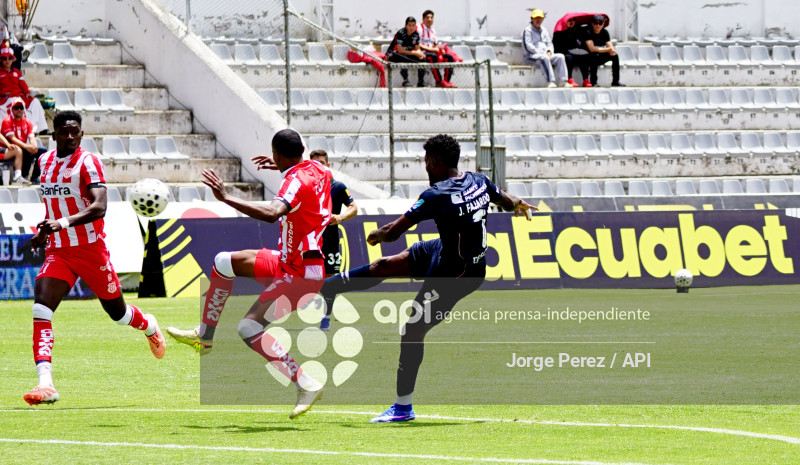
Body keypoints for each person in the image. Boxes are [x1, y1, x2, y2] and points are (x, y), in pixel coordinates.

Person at [318, 134, 536, 423]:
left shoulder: (436, 196)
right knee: (386, 265)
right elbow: (506, 201)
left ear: (434, 162)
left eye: (425, 163)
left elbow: (393, 233)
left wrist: (378, 234)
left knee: (412, 330)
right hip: (444, 252)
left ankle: (403, 407)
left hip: (456, 274)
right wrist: (519, 201)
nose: (425, 168)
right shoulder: (479, 181)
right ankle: (330, 288)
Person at [166, 129, 332, 419]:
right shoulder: (319, 169)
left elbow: (272, 213)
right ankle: (204, 337)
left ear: (278, 154)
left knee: (248, 328)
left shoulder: (295, 180)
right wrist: (281, 165)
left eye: (275, 157)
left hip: (301, 275)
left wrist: (226, 197)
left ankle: (306, 382)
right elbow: (305, 174)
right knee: (223, 262)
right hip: (289, 262)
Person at [23, 110, 166, 406]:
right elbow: (54, 206)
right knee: (41, 308)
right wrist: (45, 232)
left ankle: (149, 326)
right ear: (55, 135)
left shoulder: (88, 162)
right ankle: (45, 383)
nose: (71, 136)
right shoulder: (44, 162)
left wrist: (61, 224)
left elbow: (100, 206)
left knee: (118, 314)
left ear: (82, 134)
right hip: (59, 251)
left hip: (90, 250)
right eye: (65, 132)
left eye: (75, 131)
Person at [308, 150, 358, 331]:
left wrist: (341, 217)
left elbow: (354, 207)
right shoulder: (307, 186)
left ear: (327, 166)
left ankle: (326, 316)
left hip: (329, 240)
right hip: (310, 240)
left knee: (330, 279)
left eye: (322, 162)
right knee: (307, 277)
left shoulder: (337, 187)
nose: (318, 166)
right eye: (314, 163)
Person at [0, 40, 49, 134]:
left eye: (9, 58)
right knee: (15, 103)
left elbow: (22, 84)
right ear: (1, 60)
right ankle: (19, 130)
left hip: (18, 96)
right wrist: (2, 93)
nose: (7, 61)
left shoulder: (17, 72)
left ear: (12, 60)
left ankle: (41, 128)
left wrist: (27, 92)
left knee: (35, 101)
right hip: (5, 99)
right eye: (4, 58)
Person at [522, 9, 570, 88]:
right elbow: (528, 46)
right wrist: (541, 53)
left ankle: (563, 81)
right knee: (544, 58)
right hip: (531, 56)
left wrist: (549, 51)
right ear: (532, 19)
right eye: (536, 18)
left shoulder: (544, 30)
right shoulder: (527, 30)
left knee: (560, 56)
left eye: (540, 18)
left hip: (544, 55)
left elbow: (549, 43)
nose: (538, 20)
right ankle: (549, 81)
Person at [3, 96, 46, 183]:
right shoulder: (7, 120)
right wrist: (27, 146)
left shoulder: (27, 122)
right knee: (25, 151)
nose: (19, 110)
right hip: (10, 147)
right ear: (12, 109)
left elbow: (31, 137)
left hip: (23, 146)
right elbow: (12, 138)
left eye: (21, 107)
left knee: (42, 151)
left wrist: (34, 146)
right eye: (16, 108)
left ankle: (35, 177)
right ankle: (24, 175)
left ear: (24, 109)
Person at [417, 9, 457, 88]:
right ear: (423, 19)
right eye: (427, 18)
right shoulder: (419, 28)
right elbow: (417, 44)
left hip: (432, 52)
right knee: (433, 56)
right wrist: (432, 49)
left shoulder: (433, 31)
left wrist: (440, 49)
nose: (429, 20)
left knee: (449, 58)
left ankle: (446, 81)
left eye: (431, 18)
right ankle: (439, 81)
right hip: (422, 53)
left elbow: (434, 44)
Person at [584, 14, 624, 87]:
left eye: (600, 23)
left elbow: (610, 46)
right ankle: (593, 81)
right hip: (589, 56)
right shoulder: (588, 32)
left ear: (603, 24)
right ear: (592, 23)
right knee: (594, 56)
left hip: (600, 54)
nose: (598, 25)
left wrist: (611, 50)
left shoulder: (604, 32)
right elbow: (592, 49)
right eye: (596, 23)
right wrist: (608, 49)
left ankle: (615, 81)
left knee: (615, 56)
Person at [386, 16, 426, 87]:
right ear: (406, 26)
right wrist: (415, 53)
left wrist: (420, 53)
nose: (411, 27)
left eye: (413, 25)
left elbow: (417, 48)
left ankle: (421, 81)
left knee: (422, 59)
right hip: (395, 54)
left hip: (407, 53)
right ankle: (405, 80)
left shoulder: (416, 34)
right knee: (404, 58)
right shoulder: (401, 33)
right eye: (409, 25)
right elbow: (400, 50)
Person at [553, 17, 591, 87]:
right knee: (568, 57)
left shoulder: (577, 30)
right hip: (565, 52)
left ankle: (586, 79)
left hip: (575, 53)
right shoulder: (559, 32)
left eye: (573, 20)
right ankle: (570, 78)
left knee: (585, 55)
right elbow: (558, 47)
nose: (571, 22)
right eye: (569, 20)